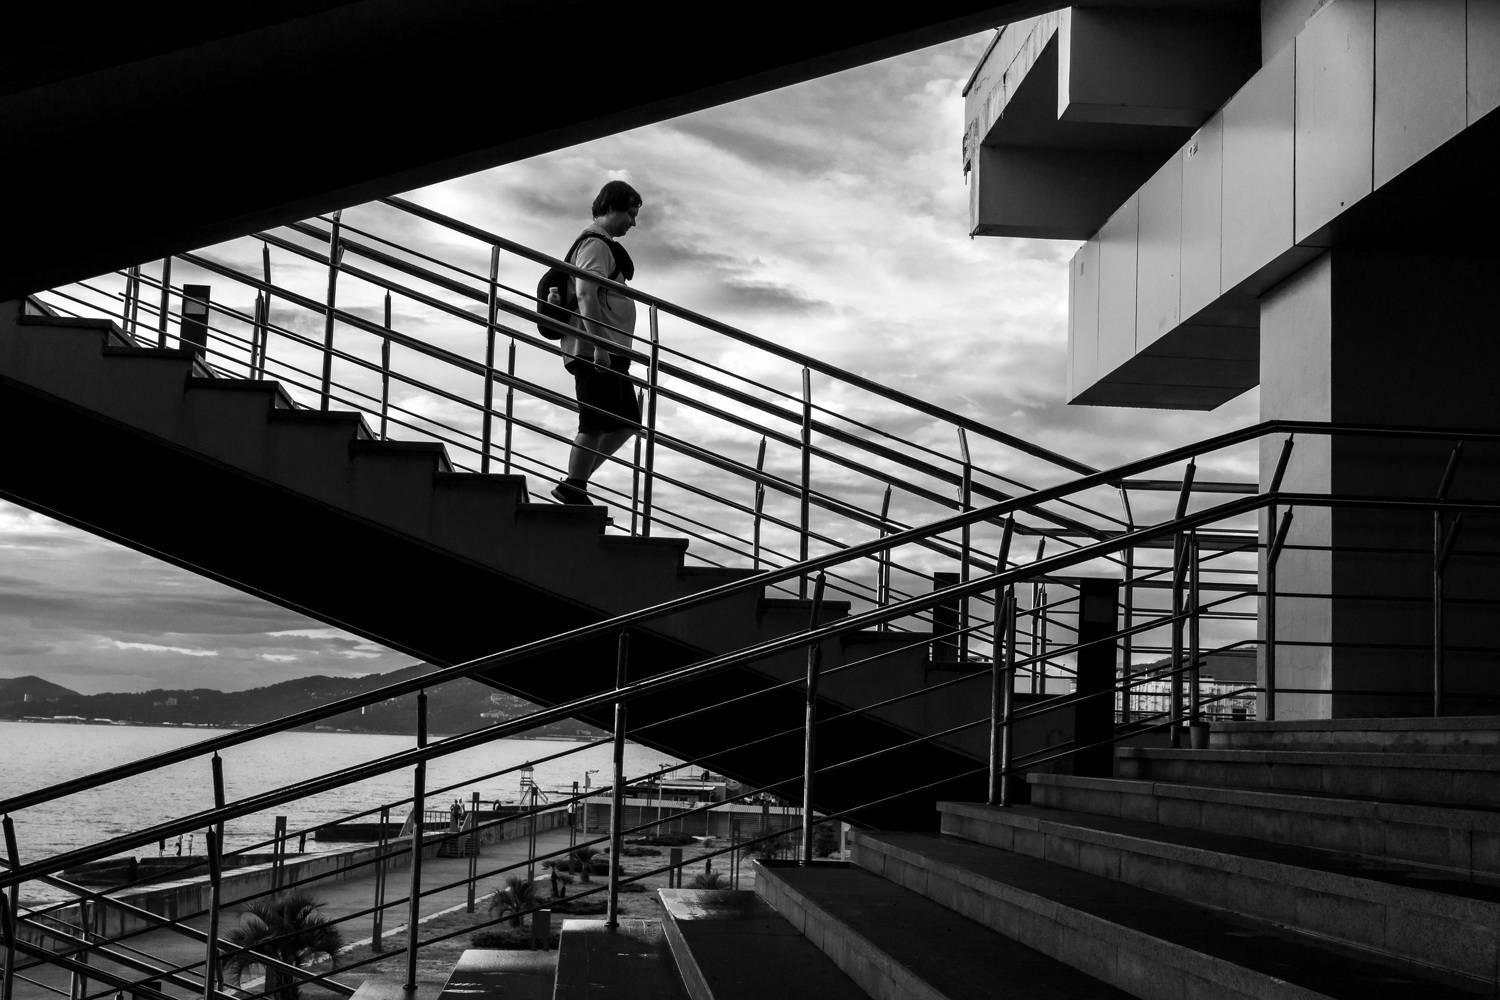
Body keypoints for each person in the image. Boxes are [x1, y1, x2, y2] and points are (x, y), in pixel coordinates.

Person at [551, 180, 644, 506]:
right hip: (595, 349)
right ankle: (574, 485)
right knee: (594, 422)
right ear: (611, 207)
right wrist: (599, 346)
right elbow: (585, 292)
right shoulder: (595, 244)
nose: (633, 223)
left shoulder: (602, 244)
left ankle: (575, 483)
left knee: (626, 421)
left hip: (608, 348)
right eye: (630, 214)